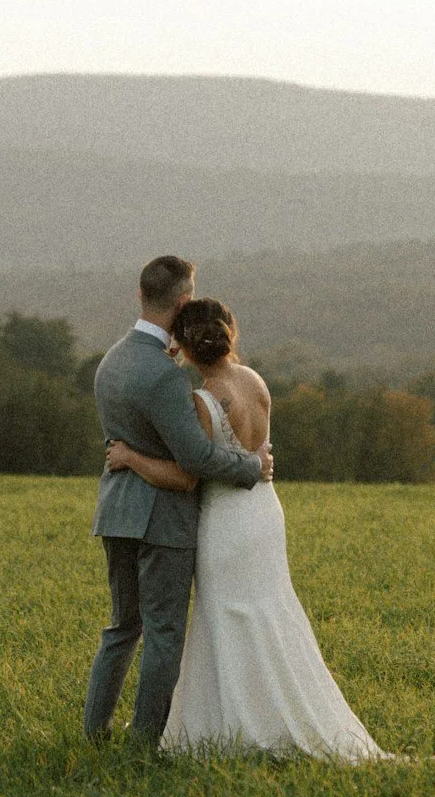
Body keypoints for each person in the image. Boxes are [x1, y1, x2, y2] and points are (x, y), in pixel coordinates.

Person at [105, 297, 384, 763]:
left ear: (183, 346)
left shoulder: (203, 400)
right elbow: (255, 451)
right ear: (229, 332)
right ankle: (276, 711)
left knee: (225, 617)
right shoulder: (255, 381)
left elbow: (188, 475)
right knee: (269, 613)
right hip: (265, 515)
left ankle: (234, 725)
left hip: (226, 521)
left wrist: (130, 457)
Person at [83, 256, 271, 750]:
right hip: (161, 519)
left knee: (122, 627)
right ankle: (146, 743)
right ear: (184, 301)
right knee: (164, 634)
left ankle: (93, 731)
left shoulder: (111, 361)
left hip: (115, 512)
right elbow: (195, 458)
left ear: (141, 295)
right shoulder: (167, 378)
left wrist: (127, 455)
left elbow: (123, 439)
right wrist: (253, 468)